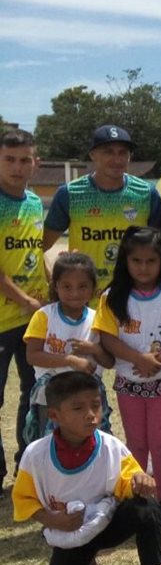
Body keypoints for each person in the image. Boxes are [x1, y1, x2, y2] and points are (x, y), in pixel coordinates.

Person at [13, 371, 161, 565]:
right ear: (54, 416)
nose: (91, 415)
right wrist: (52, 520)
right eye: (78, 408)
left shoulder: (110, 447)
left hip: (107, 524)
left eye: (95, 405)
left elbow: (129, 480)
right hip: (69, 533)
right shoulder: (35, 456)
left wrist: (140, 480)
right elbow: (24, 500)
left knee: (146, 506)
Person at [94, 226, 161, 528]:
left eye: (150, 261)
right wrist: (138, 358)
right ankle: (140, 496)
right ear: (126, 261)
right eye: (136, 261)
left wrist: (160, 359)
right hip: (129, 382)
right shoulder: (113, 296)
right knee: (136, 443)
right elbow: (107, 337)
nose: (143, 268)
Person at [42, 125, 161, 291]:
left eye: (123, 152)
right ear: (93, 155)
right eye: (108, 152)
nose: (117, 160)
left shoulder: (146, 193)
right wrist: (54, 282)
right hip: (85, 301)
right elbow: (40, 246)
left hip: (134, 296)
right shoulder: (70, 193)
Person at [23, 253, 114, 444]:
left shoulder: (98, 319)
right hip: (52, 397)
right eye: (67, 286)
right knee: (51, 447)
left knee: (88, 446)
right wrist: (70, 360)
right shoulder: (44, 316)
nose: (75, 293)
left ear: (93, 288)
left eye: (82, 286)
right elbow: (32, 356)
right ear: (55, 286)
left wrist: (95, 350)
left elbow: (109, 362)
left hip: (88, 399)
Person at [0, 130, 50, 475]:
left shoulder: (34, 202)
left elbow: (35, 252)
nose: (18, 167)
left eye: (24, 160)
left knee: (35, 396)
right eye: (9, 159)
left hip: (33, 319)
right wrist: (26, 300)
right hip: (4, 321)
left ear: (36, 163)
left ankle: (26, 466)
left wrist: (51, 291)